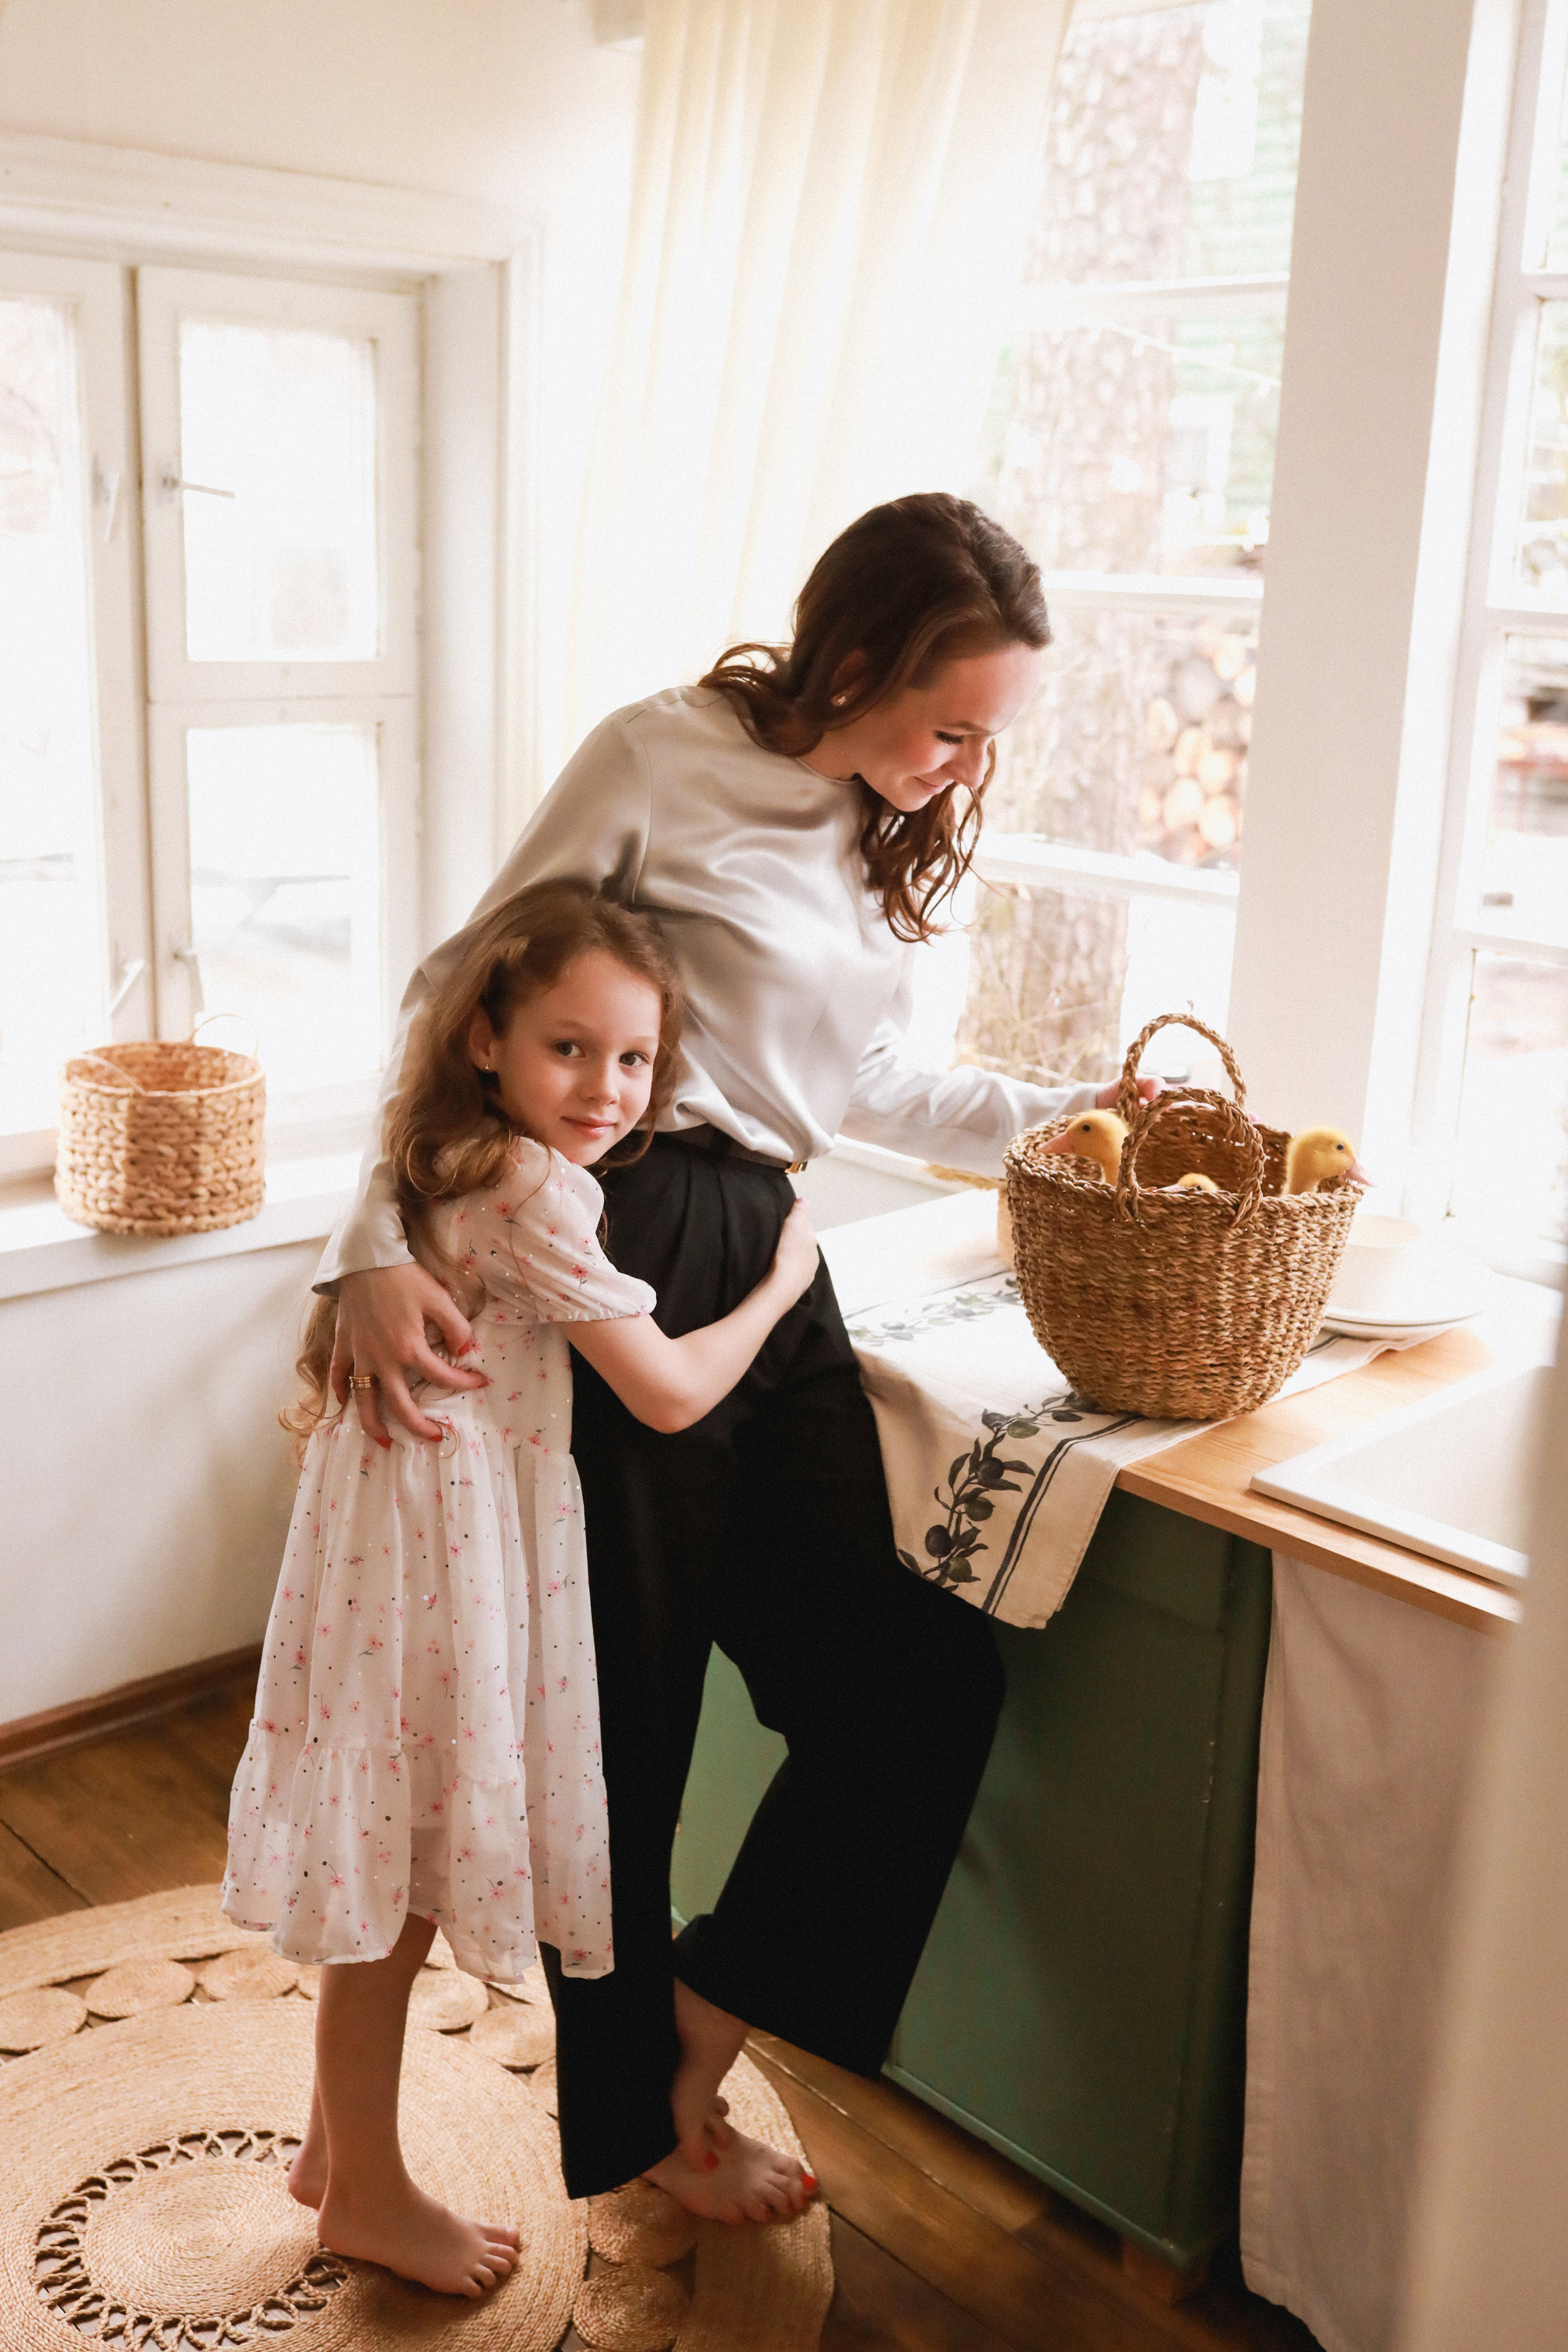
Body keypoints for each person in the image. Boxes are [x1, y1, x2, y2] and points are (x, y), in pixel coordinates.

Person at [320, 492, 1158, 2226]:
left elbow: (855, 1084)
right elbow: (455, 990)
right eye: (950, 722)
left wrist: (1063, 1115)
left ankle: (701, 2026)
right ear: (855, 657)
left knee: (914, 1682)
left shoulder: (874, 828)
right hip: (619, 1242)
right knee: (613, 1725)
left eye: (988, 738)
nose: (961, 765)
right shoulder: (660, 757)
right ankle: (643, 2133)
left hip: (773, 1252)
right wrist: (368, 1251)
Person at [223, 881, 821, 2296]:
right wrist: (782, 1283)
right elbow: (669, 1394)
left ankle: (330, 2148)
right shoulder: (532, 1188)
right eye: (570, 1048)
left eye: (631, 1059)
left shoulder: (448, 1155)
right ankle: (363, 2190)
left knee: (398, 1844)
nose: (606, 1088)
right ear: (485, 1036)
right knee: (408, 1878)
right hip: (441, 1561)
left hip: (401, 1543)